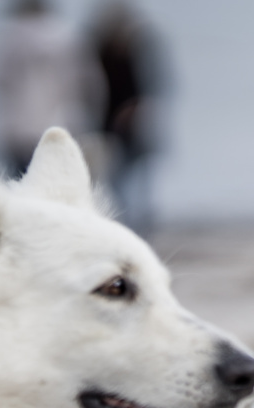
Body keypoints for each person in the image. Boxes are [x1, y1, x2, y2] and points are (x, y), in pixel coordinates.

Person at [0, 0, 101, 178]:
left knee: (21, 184)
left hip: (18, 129)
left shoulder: (9, 37)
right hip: (60, 124)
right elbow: (86, 83)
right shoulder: (66, 36)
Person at [88, 1, 166, 234]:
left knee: (135, 182)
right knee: (114, 182)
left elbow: (154, 85)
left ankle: (138, 227)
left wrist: (135, 109)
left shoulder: (138, 46)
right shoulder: (98, 46)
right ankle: (123, 226)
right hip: (107, 126)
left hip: (134, 128)